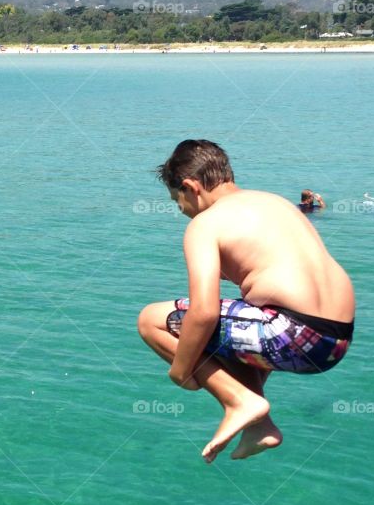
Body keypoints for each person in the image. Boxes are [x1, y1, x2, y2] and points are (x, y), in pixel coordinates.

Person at [137, 140, 355, 464]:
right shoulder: (275, 203)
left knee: (150, 319)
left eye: (177, 201)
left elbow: (204, 311)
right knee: (240, 323)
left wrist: (180, 372)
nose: (181, 211)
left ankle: (239, 401)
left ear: (190, 186)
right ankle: (258, 426)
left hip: (291, 334)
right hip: (334, 342)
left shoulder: (205, 224)